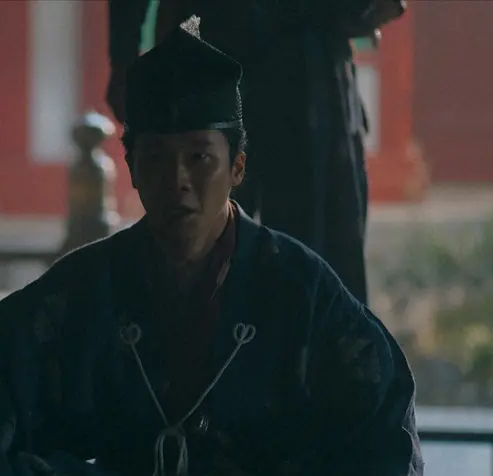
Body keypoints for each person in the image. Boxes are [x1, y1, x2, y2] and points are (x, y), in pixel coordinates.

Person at [0, 18, 431, 476]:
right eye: (158, 159)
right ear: (132, 168)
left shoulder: (299, 287)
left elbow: (379, 400)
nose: (178, 180)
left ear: (237, 167)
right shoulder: (85, 287)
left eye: (200, 157)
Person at [106, 0, 406, 307]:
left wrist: (123, 61)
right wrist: (124, 60)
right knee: (201, 255)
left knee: (313, 266)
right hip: (217, 59)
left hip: (304, 62)